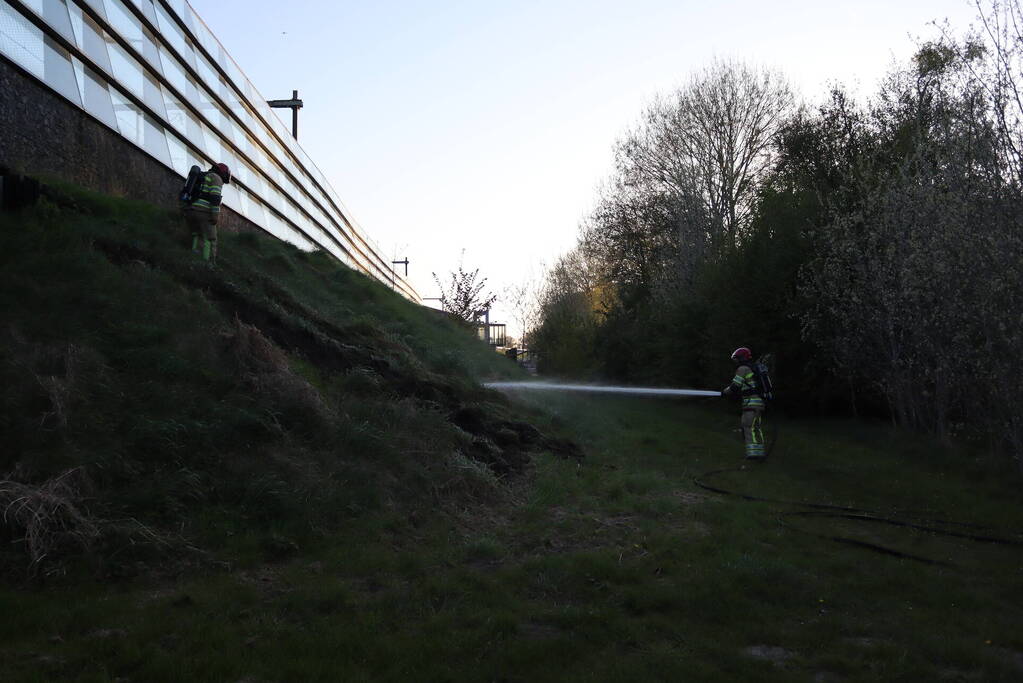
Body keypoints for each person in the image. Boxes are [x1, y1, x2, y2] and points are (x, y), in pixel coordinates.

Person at [721, 346, 765, 460]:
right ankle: (759, 453)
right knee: (756, 428)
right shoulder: (753, 368)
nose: (735, 362)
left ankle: (753, 454)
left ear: (741, 358)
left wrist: (725, 392)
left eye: (736, 359)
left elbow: (735, 386)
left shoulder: (743, 369)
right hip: (758, 403)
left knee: (748, 426)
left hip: (751, 404)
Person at [181, 162, 230, 263]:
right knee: (210, 239)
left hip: (190, 210)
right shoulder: (216, 178)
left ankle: (193, 258)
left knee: (197, 235)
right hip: (203, 213)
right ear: (223, 173)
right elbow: (215, 198)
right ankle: (208, 264)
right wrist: (215, 216)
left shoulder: (203, 176)